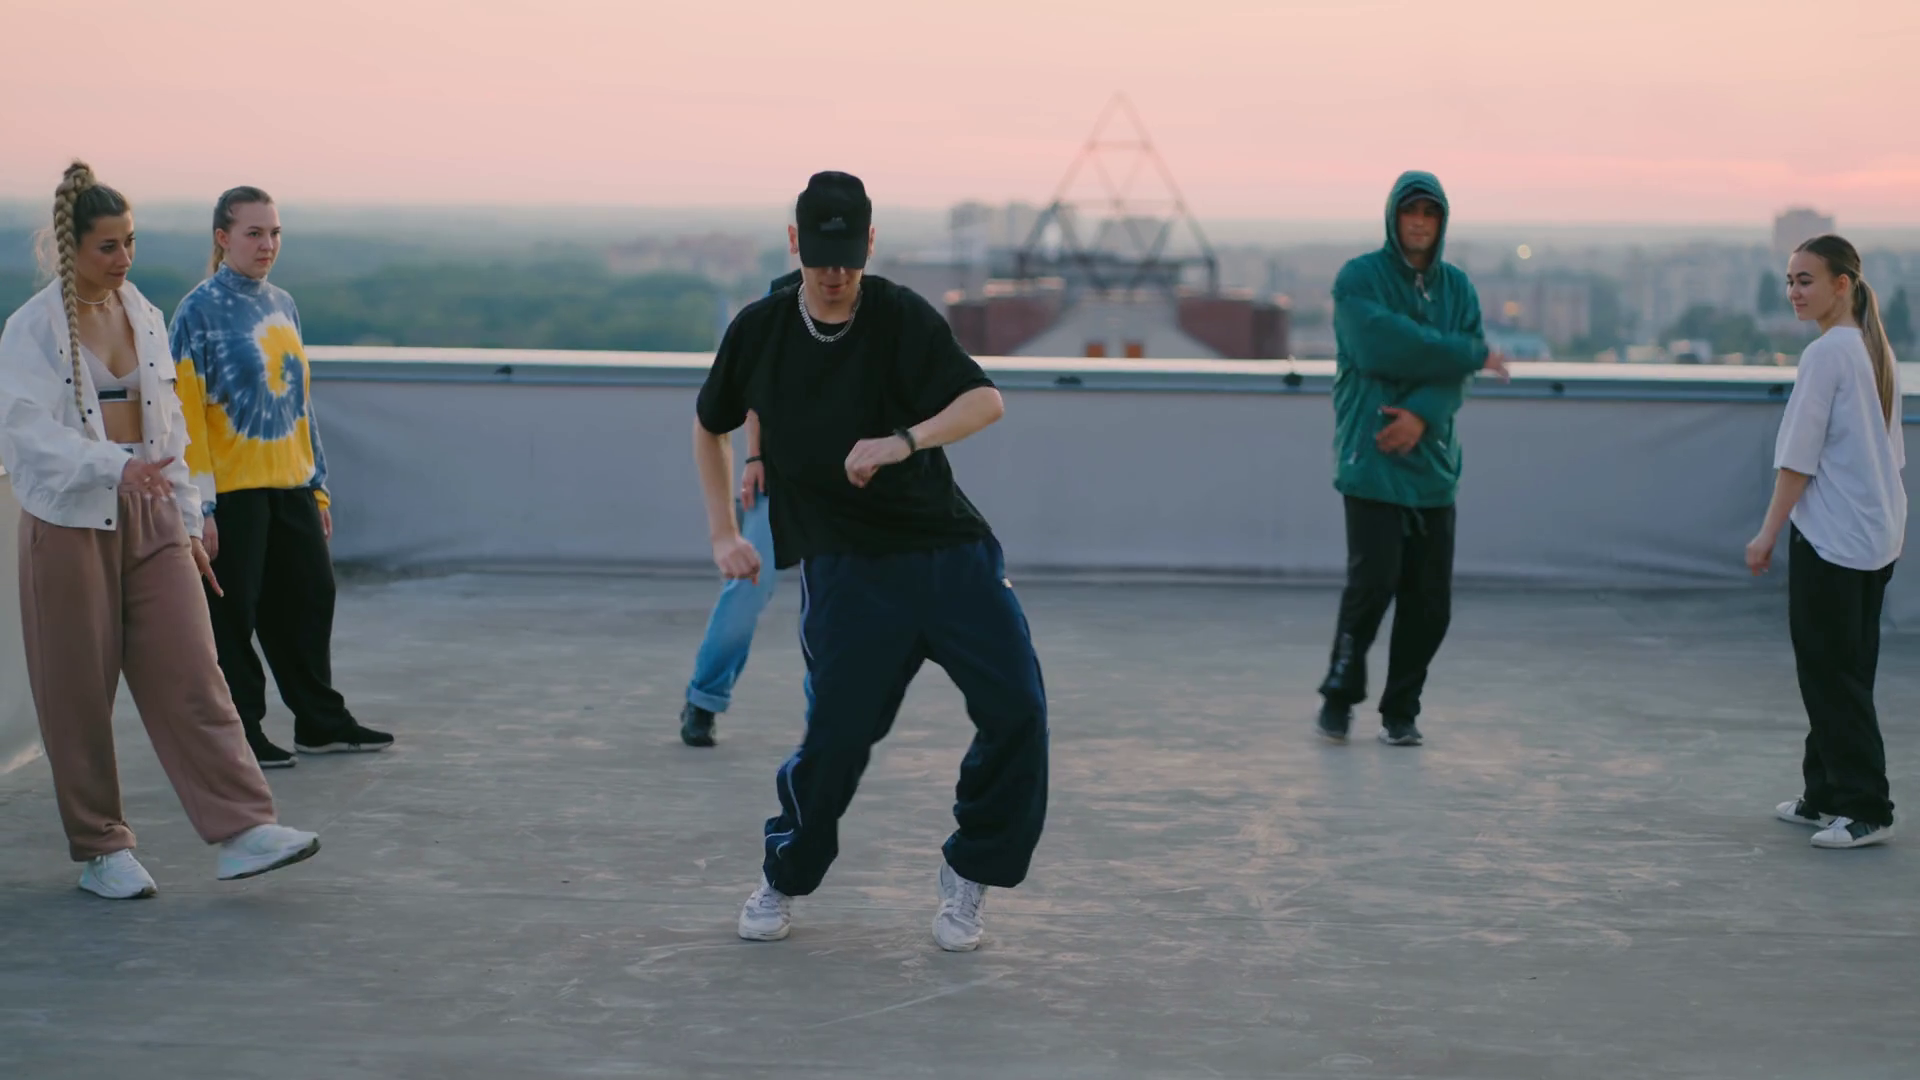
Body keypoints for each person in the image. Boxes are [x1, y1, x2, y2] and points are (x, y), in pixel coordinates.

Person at [692, 171, 1048, 951]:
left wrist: (905, 441)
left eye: (849, 258)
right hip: (849, 566)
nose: (835, 274)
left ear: (870, 245)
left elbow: (984, 401)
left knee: (1019, 710)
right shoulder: (760, 330)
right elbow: (709, 424)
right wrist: (723, 533)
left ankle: (970, 872)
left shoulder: (899, 316)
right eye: (821, 258)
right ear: (795, 243)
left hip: (949, 551)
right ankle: (785, 875)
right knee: (838, 740)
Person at [0, 161, 320, 899]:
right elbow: (26, 436)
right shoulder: (32, 328)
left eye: (131, 242)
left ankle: (243, 830)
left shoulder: (142, 312)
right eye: (108, 246)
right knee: (78, 694)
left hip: (151, 518)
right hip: (71, 522)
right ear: (71, 247)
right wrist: (113, 467)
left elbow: (169, 426)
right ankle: (102, 849)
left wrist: (186, 518)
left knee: (195, 673)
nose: (124, 258)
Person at [168, 186, 392, 768]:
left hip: (291, 482)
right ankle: (241, 733)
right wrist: (201, 506)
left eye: (274, 233)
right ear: (223, 238)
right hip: (232, 491)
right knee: (233, 616)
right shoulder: (197, 311)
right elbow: (185, 415)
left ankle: (320, 723)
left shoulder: (283, 304)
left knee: (311, 598)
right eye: (254, 233)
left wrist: (317, 485)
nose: (267, 244)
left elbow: (300, 404)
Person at [1315, 171, 1508, 747]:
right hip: (1372, 458)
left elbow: (1451, 376)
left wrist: (1422, 414)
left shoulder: (1457, 288)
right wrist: (1467, 352)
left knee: (1430, 605)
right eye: (1410, 211)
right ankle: (1339, 696)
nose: (1420, 222)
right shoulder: (1358, 279)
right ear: (1393, 217)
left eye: (1430, 213)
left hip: (1432, 465)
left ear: (1442, 221)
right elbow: (1380, 347)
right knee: (1371, 589)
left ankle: (1401, 711)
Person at [1748, 234, 1905, 850]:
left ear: (1843, 284)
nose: (1794, 291)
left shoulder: (1826, 354)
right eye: (1790, 280)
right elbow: (1888, 455)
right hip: (1874, 536)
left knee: (1830, 675)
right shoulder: (1871, 347)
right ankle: (1824, 794)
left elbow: (1797, 459)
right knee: (1844, 669)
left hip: (1834, 541)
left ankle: (1865, 809)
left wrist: (1767, 534)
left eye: (1806, 280)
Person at [678, 271, 804, 748]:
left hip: (845, 487)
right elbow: (755, 397)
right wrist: (754, 458)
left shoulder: (867, 311)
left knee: (841, 606)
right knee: (746, 590)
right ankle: (703, 700)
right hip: (777, 482)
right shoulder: (779, 306)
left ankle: (832, 725)